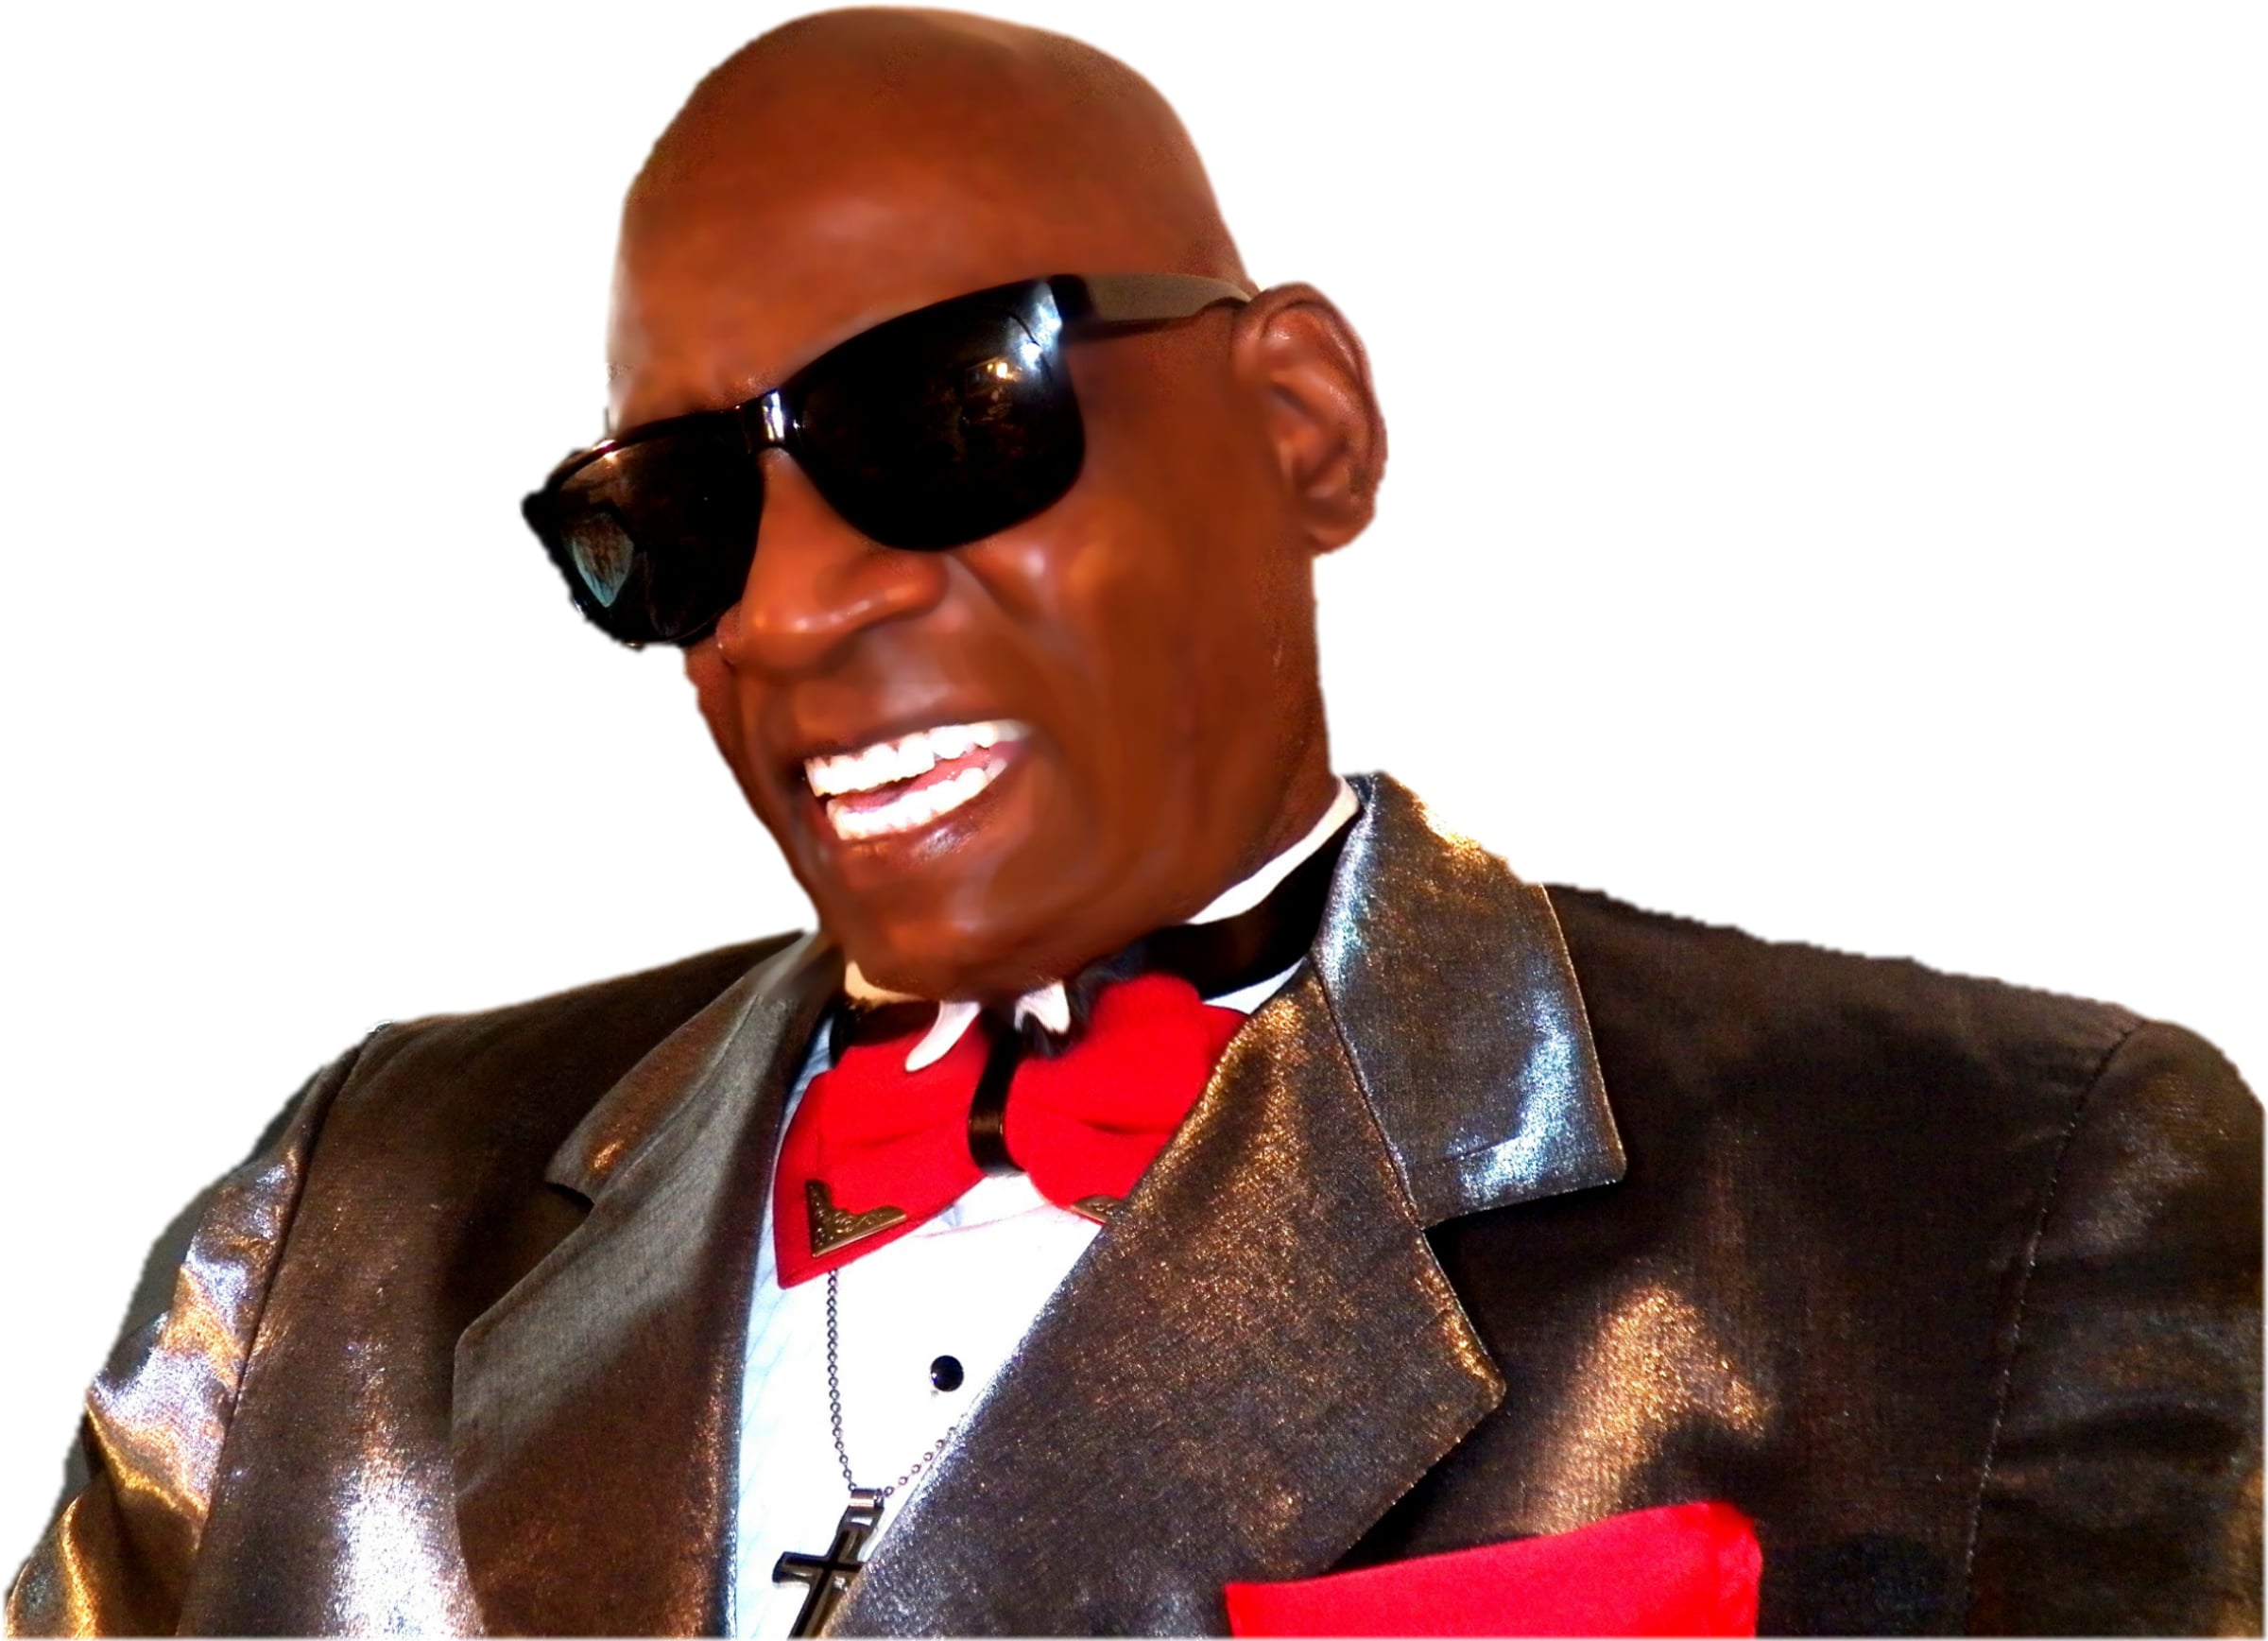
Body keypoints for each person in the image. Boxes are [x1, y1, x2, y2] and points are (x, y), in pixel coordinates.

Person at [8, 9, 2258, 1636]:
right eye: (675, 519)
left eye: (942, 416)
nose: (792, 610)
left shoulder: (1998, 1204)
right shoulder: (348, 1222)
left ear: (1305, 424)